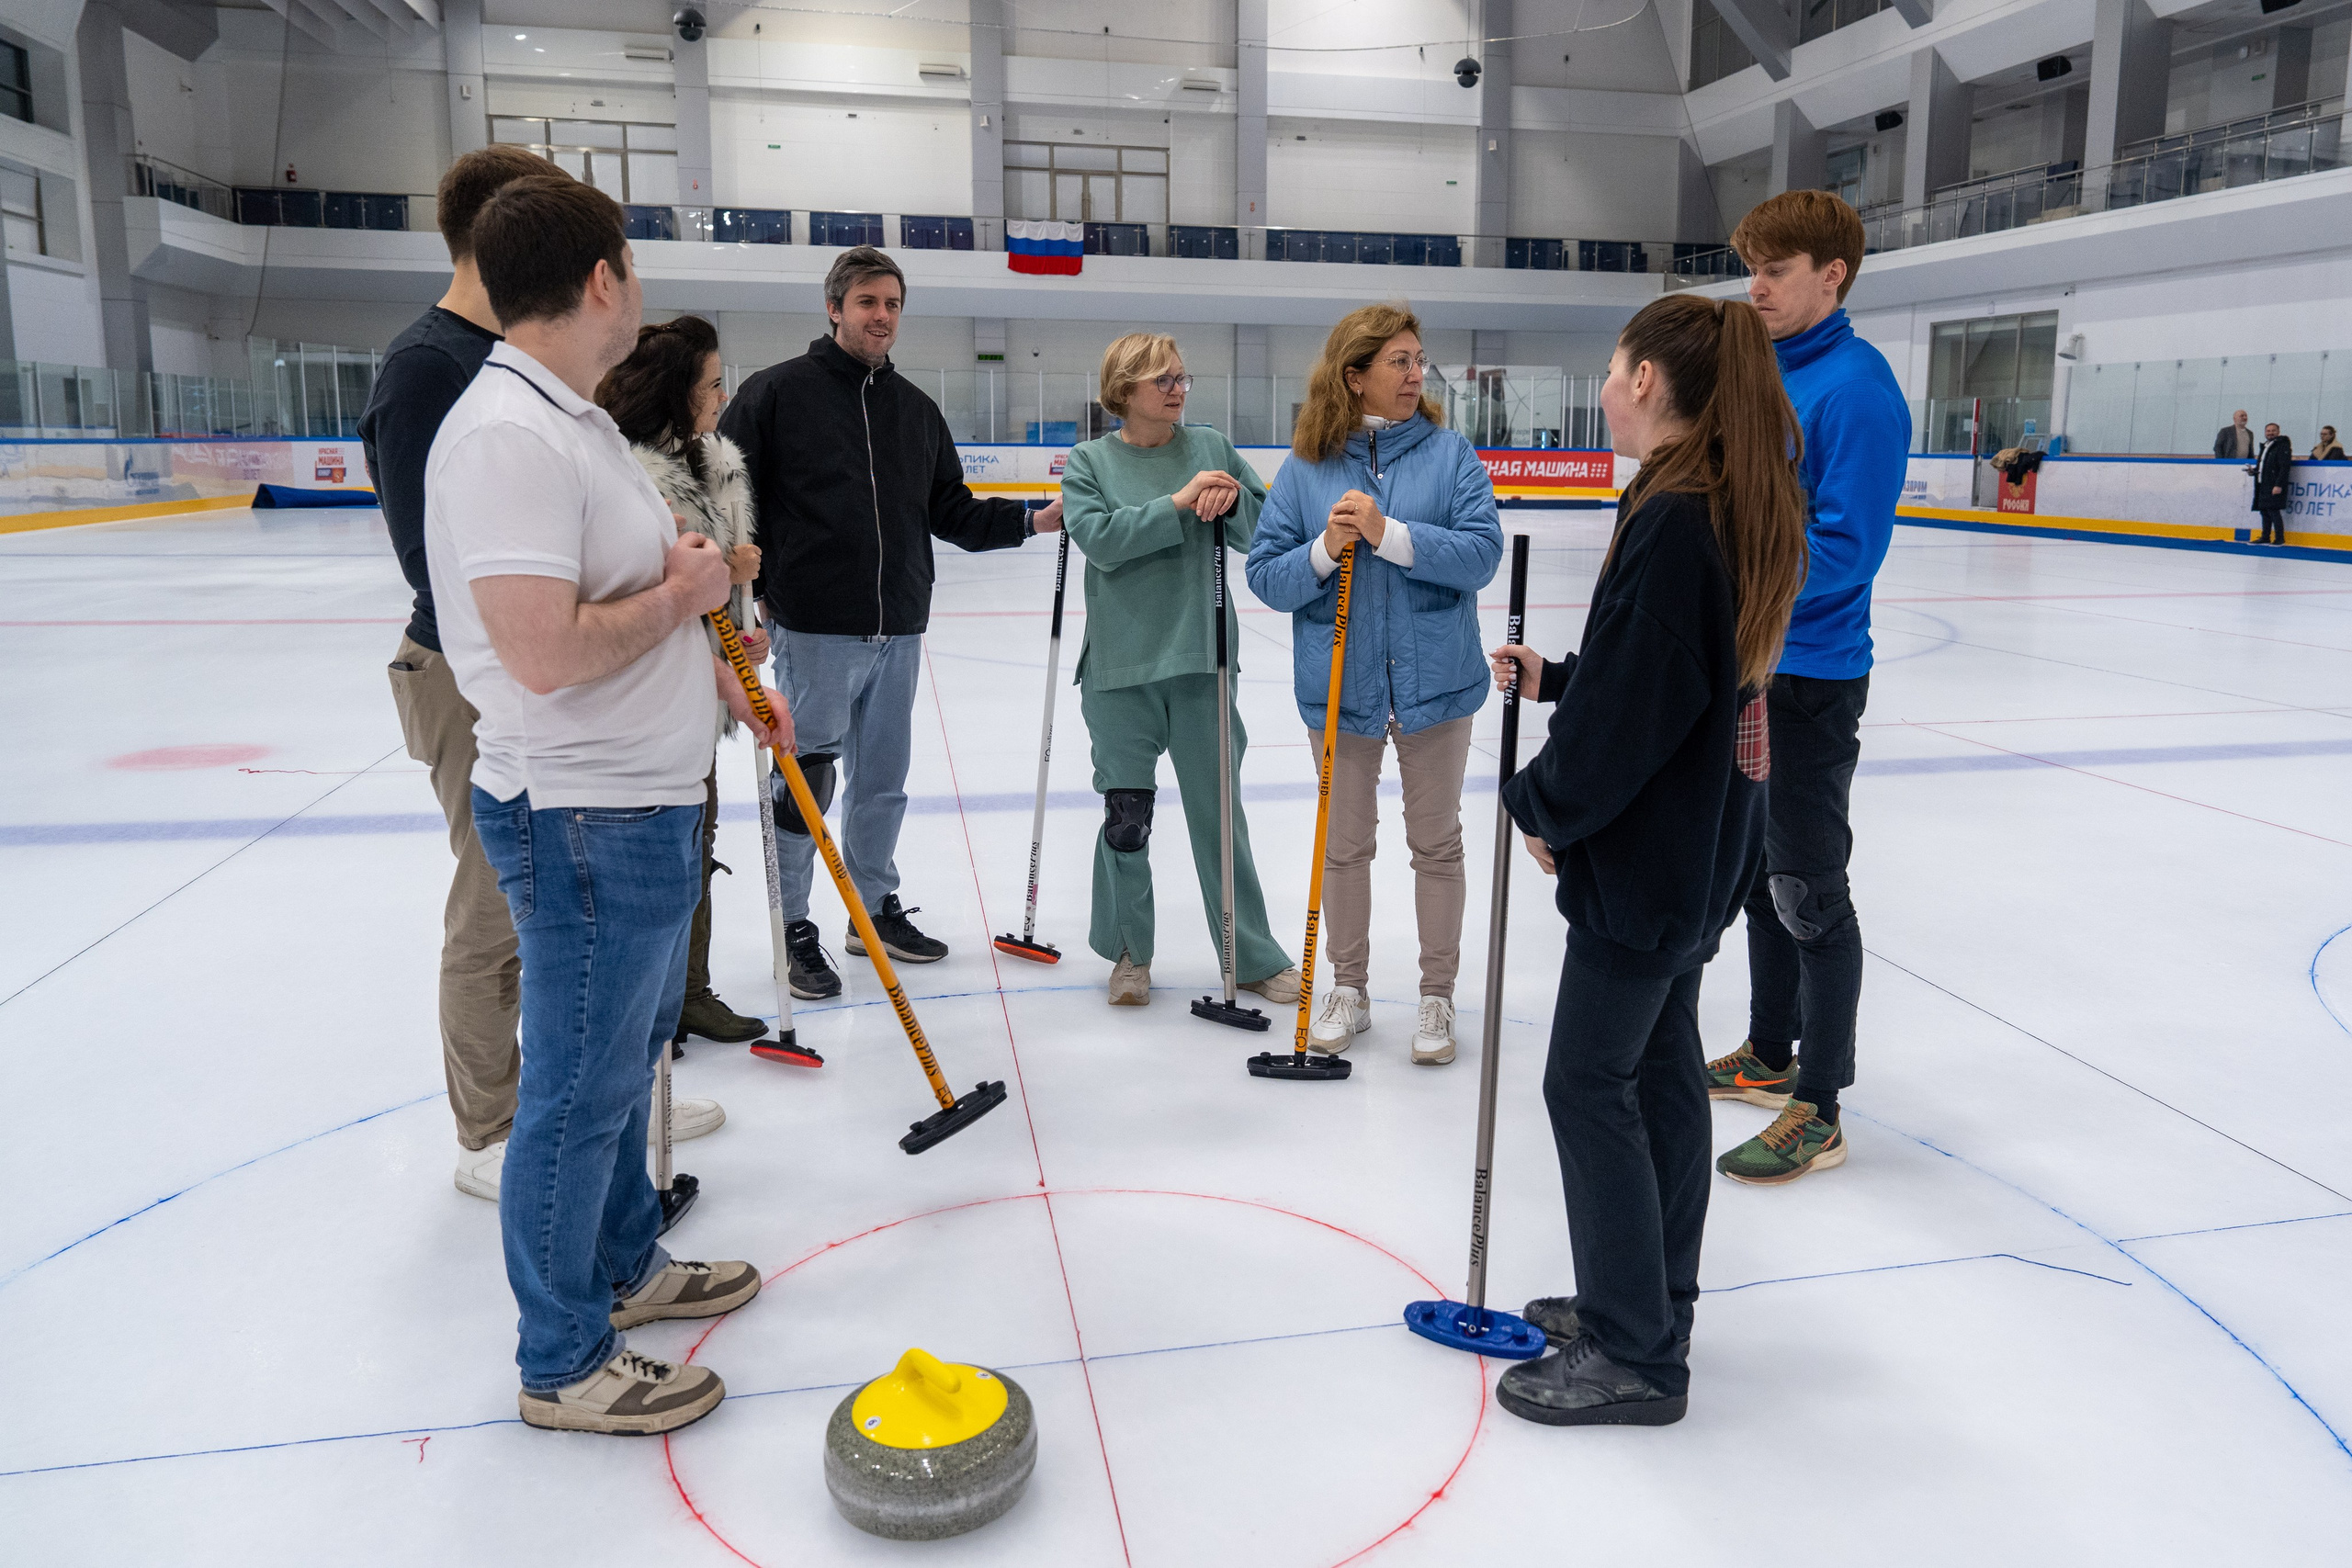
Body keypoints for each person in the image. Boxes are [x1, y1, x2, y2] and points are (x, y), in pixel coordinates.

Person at [425, 175, 786, 1434]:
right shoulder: (508, 436)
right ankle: (562, 1352)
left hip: (633, 803)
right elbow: (541, 650)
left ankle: (625, 1267)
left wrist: (726, 687)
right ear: (601, 281)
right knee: (578, 1090)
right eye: (630, 262)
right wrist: (689, 603)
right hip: (580, 816)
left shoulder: (568, 417)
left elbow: (636, 596)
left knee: (626, 1068)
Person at [358, 145, 722, 1201]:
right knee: (500, 907)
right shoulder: (443, 369)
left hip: (578, 678)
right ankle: (496, 1123)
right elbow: (465, 571)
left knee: (577, 945)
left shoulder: (551, 386)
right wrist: (593, 620)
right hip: (479, 677)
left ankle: (619, 1101)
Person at [1486, 292, 1809, 1427]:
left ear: (1648, 382)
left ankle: (1634, 1352)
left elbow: (1642, 707)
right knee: (1659, 1070)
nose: (1607, 385)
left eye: (1616, 367)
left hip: (1656, 852)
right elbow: (1672, 676)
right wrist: (1563, 679)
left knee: (1585, 1080)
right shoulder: (1712, 496)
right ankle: (1648, 1302)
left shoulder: (1678, 513)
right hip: (1702, 839)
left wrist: (1545, 800)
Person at [719, 247, 1062, 998]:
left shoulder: (916, 411)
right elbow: (730, 498)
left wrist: (1034, 519)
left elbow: (951, 511)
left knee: (883, 782)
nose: (882, 316)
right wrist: (759, 592)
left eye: (893, 304)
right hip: (814, 627)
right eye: (868, 302)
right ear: (835, 307)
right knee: (805, 782)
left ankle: (870, 906)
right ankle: (794, 925)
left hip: (899, 626)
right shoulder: (776, 394)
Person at [1704, 189, 1910, 1184]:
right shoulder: (1764, 374)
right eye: (1752, 268)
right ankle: (1767, 1051)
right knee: (1756, 875)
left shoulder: (1857, 391)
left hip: (1811, 676)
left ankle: (1818, 1103)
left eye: (1776, 271)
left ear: (1830, 276)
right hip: (1751, 664)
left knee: (1807, 887)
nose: (1757, 288)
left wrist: (1734, 588)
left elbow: (1844, 548)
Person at [1246, 302, 1503, 1066]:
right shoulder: (1305, 466)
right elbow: (1266, 573)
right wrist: (1324, 549)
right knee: (1345, 846)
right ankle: (1348, 987)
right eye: (1399, 360)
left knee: (1437, 844)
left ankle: (1436, 995)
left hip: (1437, 687)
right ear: (1353, 375)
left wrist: (1390, 536)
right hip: (1341, 690)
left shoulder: (1453, 455)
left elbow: (1481, 555)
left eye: (1419, 358)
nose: (1416, 373)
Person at [1058, 333, 1299, 1007]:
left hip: (1203, 662)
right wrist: (1178, 503)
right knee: (1126, 818)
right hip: (1120, 671)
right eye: (1161, 379)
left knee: (1222, 819)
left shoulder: (1213, 448)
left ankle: (1250, 952)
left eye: (1182, 378)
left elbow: (1263, 530)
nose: (1177, 389)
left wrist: (1231, 501)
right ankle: (1131, 953)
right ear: (1124, 388)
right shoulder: (1088, 462)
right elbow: (1099, 539)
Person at [595, 315, 773, 1045]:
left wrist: (741, 631)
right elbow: (641, 579)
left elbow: (715, 584)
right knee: (658, 861)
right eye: (710, 382)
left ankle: (687, 992)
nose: (722, 394)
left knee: (695, 845)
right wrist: (718, 577)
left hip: (707, 688)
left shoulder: (717, 462)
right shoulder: (628, 472)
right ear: (674, 391)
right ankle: (650, 1007)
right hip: (648, 698)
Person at [2253, 421, 2292, 544]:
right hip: (2263, 483)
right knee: (2264, 510)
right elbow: (2264, 465)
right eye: (2268, 431)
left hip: (2273, 484)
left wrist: (2278, 485)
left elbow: (2284, 467)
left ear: (2278, 432)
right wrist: (2254, 471)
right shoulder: (2266, 446)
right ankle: (2265, 536)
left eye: (2273, 431)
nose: (2270, 433)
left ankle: (2279, 539)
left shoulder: (2282, 446)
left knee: (2273, 511)